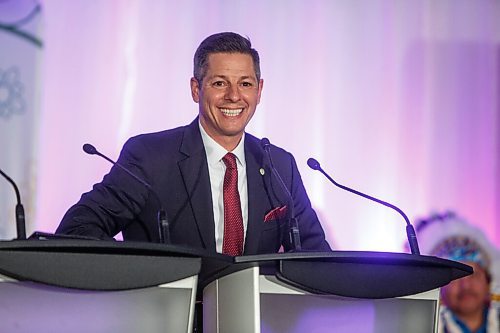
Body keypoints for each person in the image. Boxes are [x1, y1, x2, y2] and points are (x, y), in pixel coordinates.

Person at [56, 32, 331, 255]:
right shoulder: (151, 158)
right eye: (220, 83)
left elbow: (317, 258)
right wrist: (136, 271)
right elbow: (78, 227)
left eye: (245, 84)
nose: (234, 96)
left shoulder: (279, 166)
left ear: (259, 91)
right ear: (196, 89)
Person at [415, 212, 499, 332]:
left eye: (473, 275)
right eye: (456, 277)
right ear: (439, 287)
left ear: (488, 281)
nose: (466, 285)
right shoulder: (422, 328)